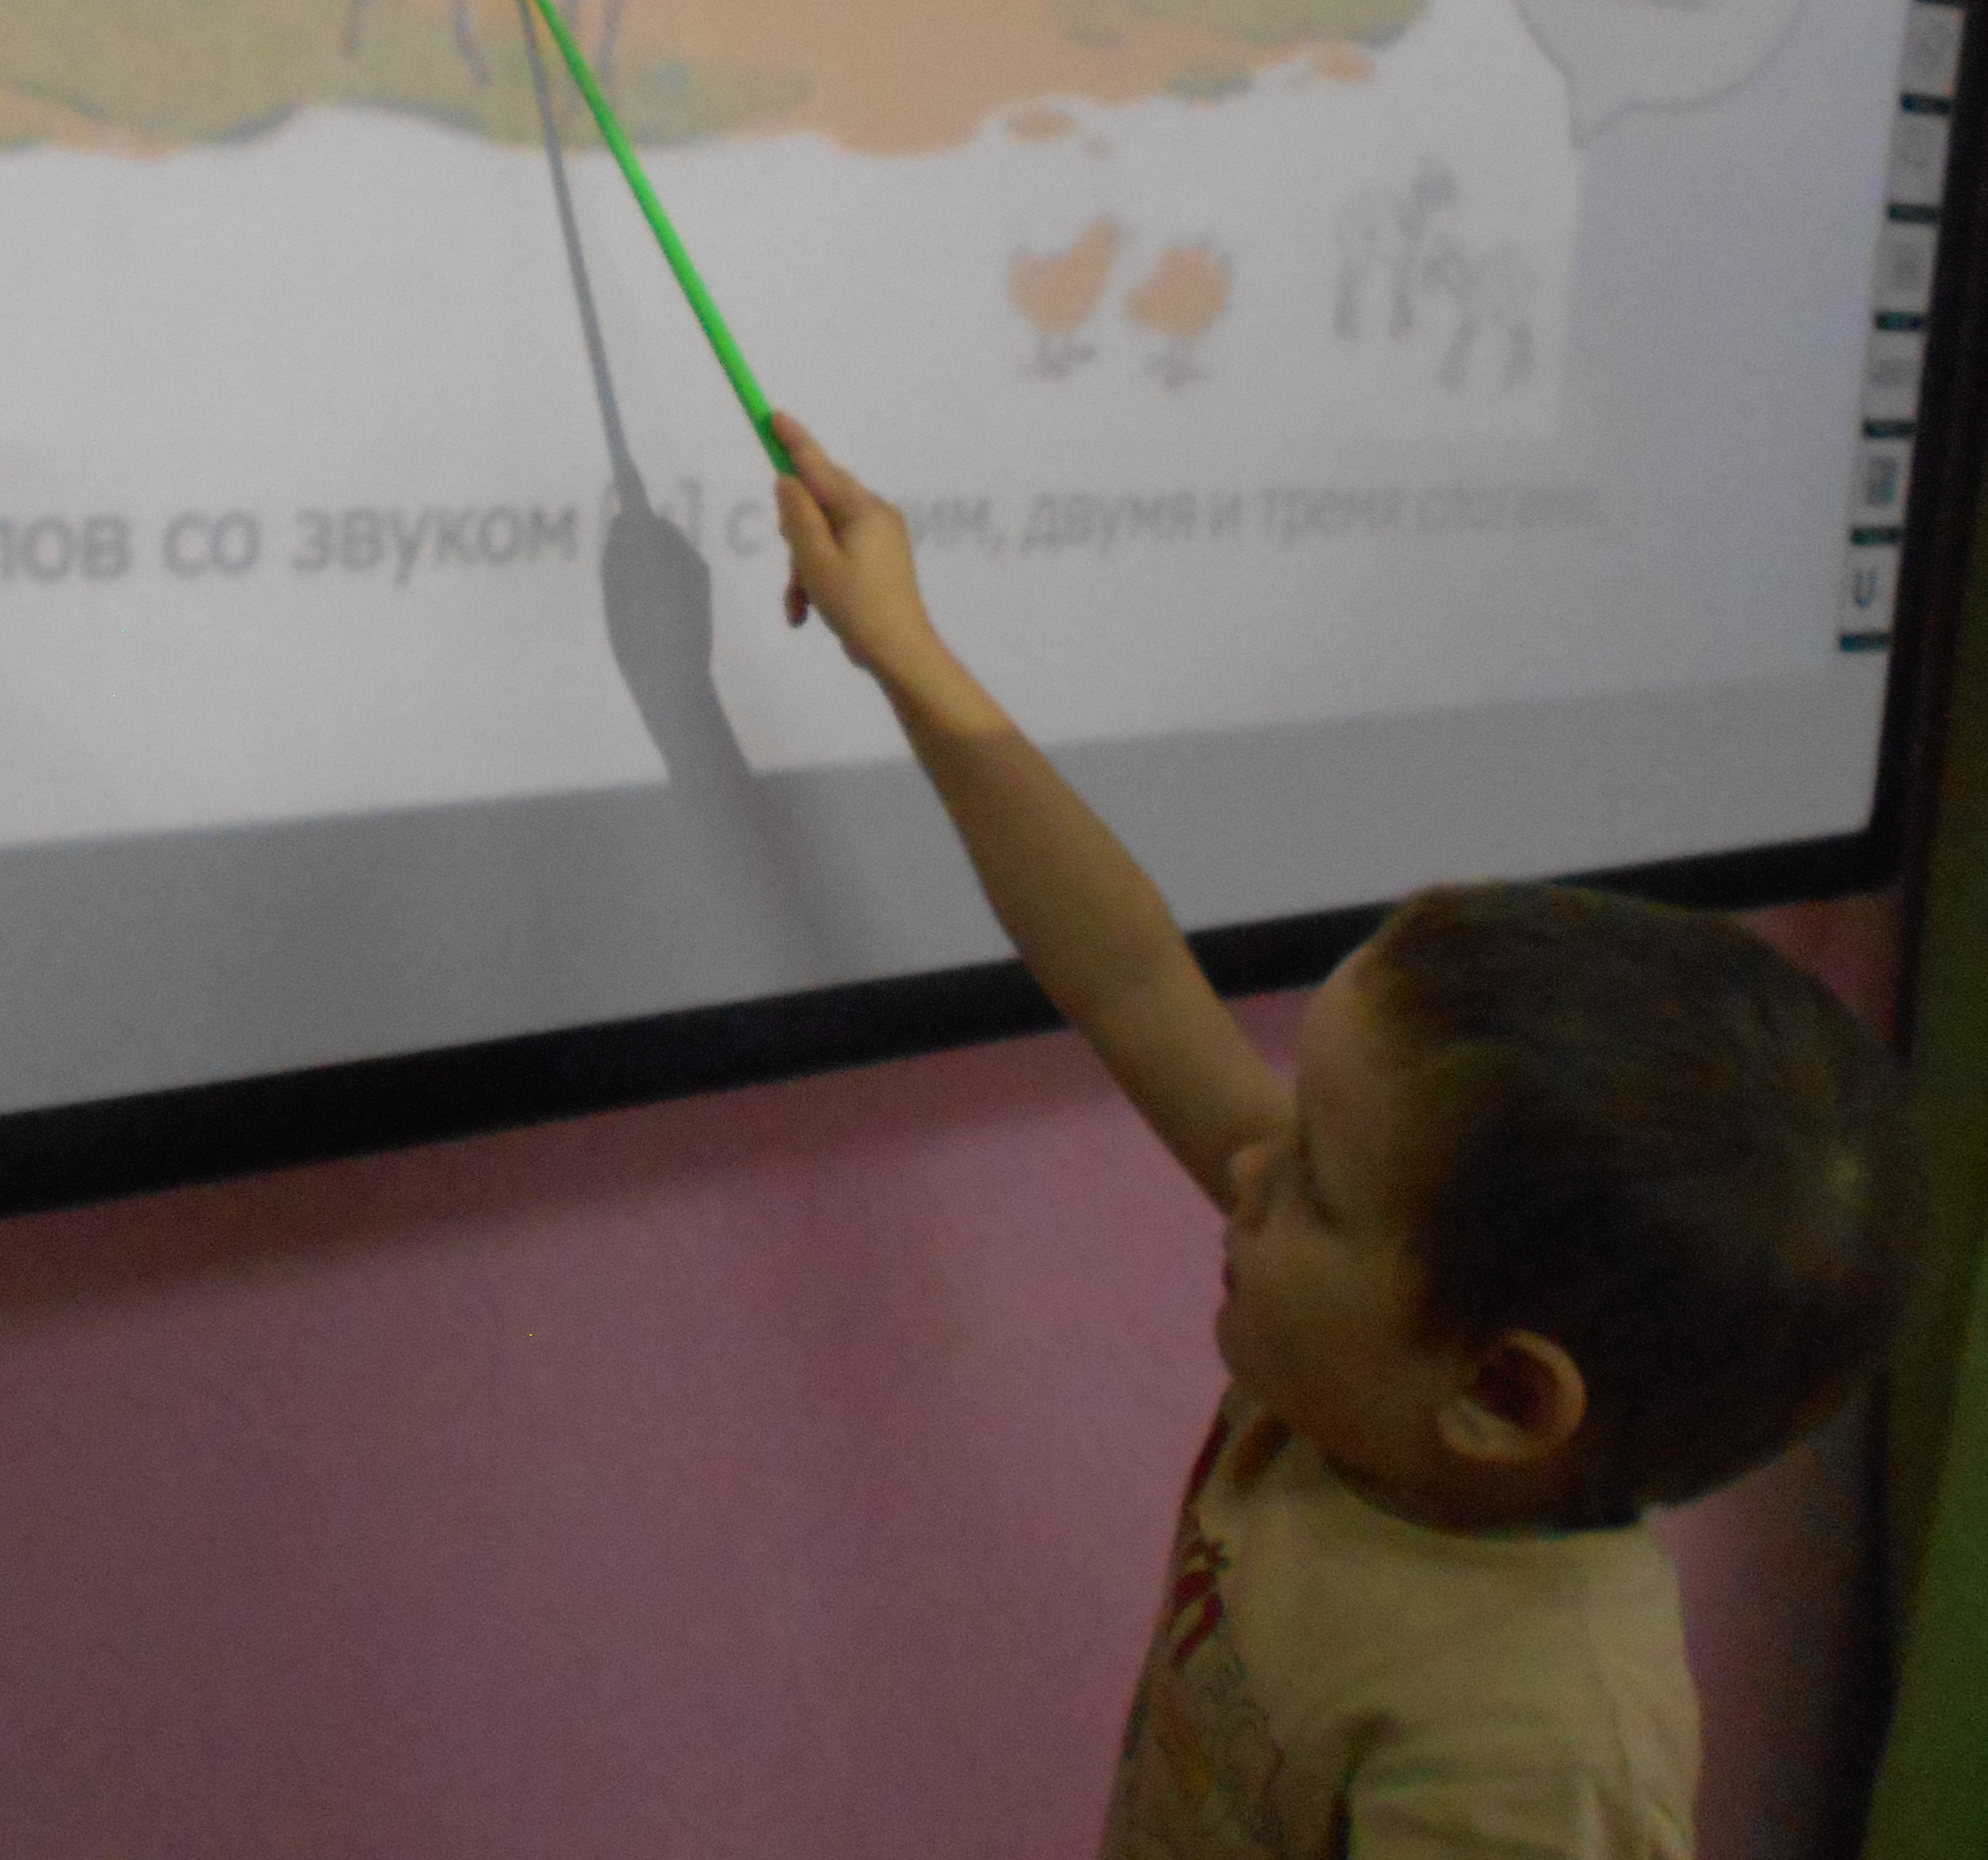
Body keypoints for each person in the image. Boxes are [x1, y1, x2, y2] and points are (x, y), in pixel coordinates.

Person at [767, 414, 1924, 1860]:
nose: (1243, 1166)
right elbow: (1131, 977)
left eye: (1310, 1178)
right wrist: (903, 650)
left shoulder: (1537, 1757)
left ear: (1500, 1391)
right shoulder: (1373, 1373)